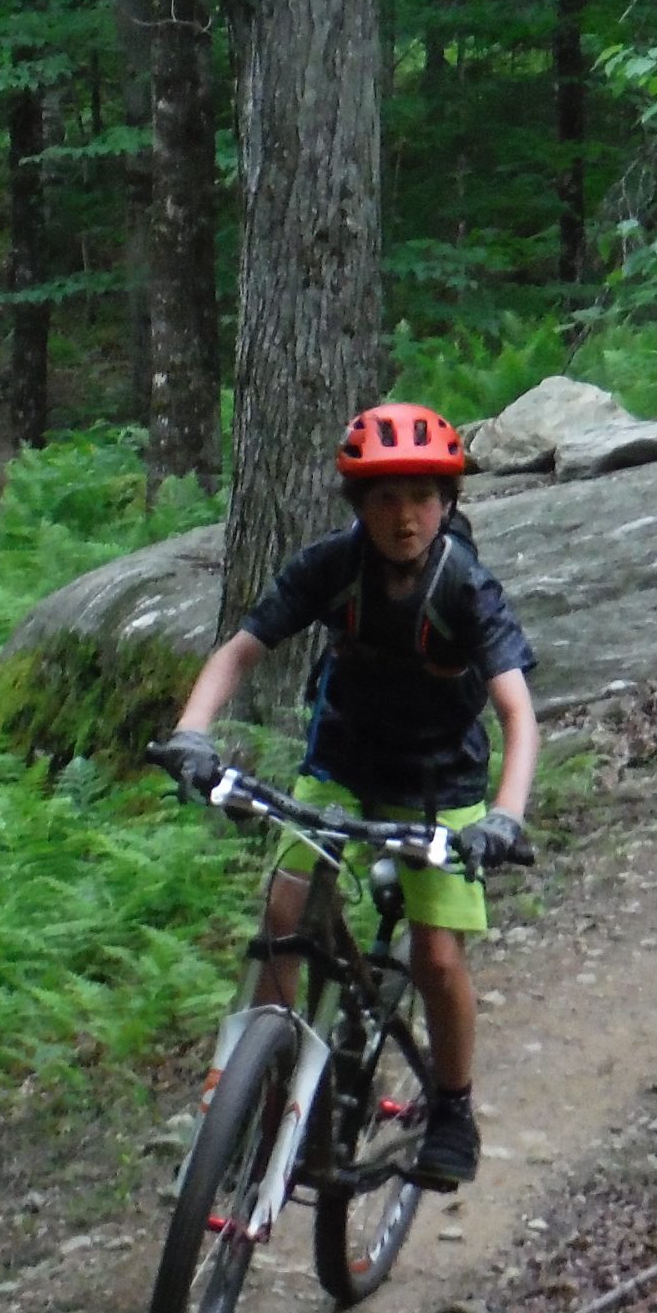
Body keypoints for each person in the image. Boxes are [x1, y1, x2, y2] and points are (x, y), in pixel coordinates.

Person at [151, 401, 540, 1190]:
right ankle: (252, 1089)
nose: (405, 517)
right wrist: (193, 732)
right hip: (340, 766)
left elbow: (516, 711)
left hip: (441, 788)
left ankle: (455, 1107)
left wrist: (504, 817)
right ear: (358, 505)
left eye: (423, 497)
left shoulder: (464, 585)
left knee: (435, 954)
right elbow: (241, 650)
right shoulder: (331, 566)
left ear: (450, 501)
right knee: (284, 918)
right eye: (385, 498)